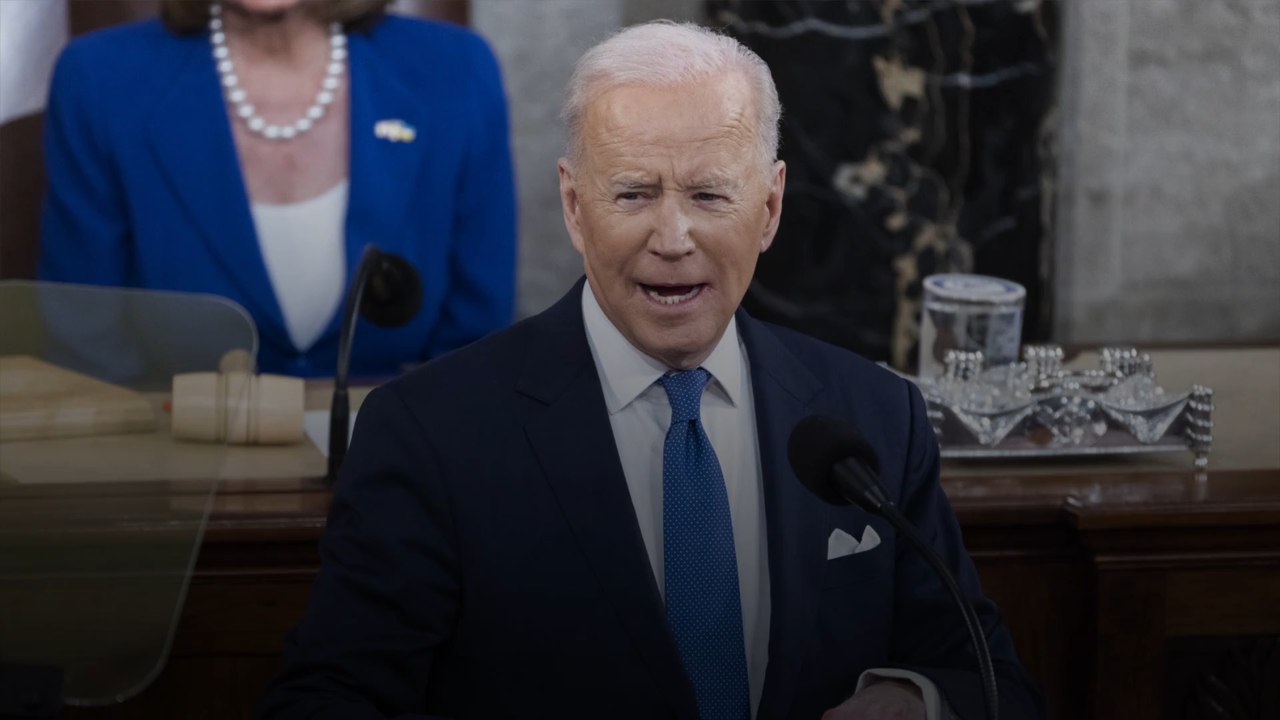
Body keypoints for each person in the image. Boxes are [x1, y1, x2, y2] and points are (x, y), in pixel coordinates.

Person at [260, 21, 1042, 720]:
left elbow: (992, 681)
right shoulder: (430, 432)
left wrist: (913, 701)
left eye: (709, 194)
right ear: (573, 205)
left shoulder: (874, 417)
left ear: (768, 209)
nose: (673, 237)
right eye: (633, 194)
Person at [38, 0, 515, 378]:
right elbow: (86, 346)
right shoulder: (98, 79)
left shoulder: (457, 71)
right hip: (176, 467)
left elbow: (478, 343)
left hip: (404, 468)